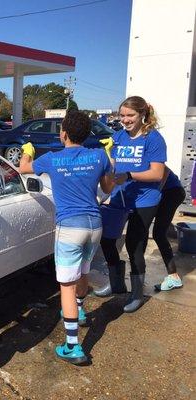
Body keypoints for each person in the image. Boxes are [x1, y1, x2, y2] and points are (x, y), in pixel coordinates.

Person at [19, 110, 114, 365]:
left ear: (63, 133)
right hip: (94, 225)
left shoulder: (52, 159)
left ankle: (73, 346)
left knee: (66, 286)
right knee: (82, 272)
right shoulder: (98, 156)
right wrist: (109, 159)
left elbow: (23, 168)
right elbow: (107, 188)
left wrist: (27, 149)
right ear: (87, 133)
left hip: (70, 228)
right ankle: (80, 310)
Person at [94, 96, 167, 313]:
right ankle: (117, 283)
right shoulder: (118, 137)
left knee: (135, 245)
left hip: (144, 199)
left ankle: (136, 293)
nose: (125, 120)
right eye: (122, 115)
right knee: (107, 240)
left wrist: (129, 175)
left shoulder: (153, 138)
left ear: (142, 114)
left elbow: (157, 172)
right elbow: (113, 165)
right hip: (120, 196)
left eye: (130, 116)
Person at [153, 167, 185, 291]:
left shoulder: (146, 152)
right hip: (168, 192)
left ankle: (174, 277)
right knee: (156, 232)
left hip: (172, 192)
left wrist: (157, 192)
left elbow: (164, 170)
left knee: (159, 233)